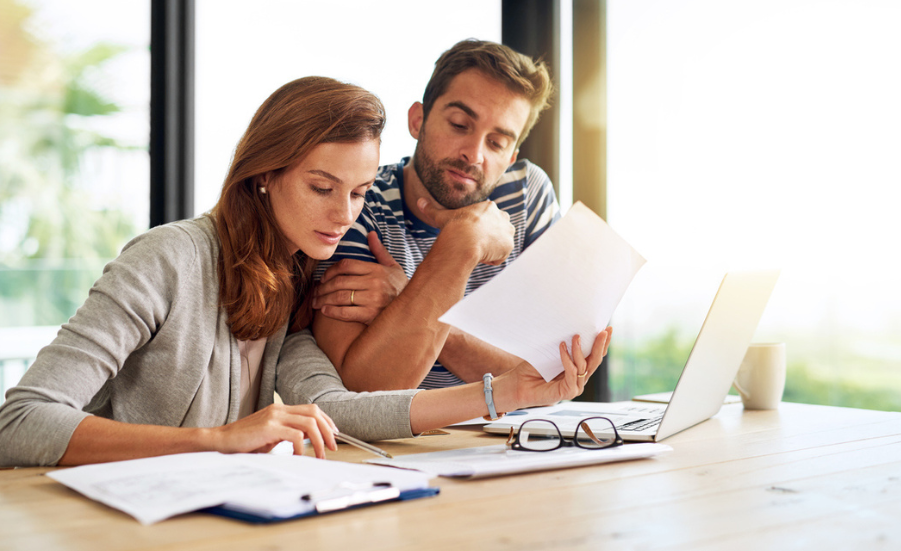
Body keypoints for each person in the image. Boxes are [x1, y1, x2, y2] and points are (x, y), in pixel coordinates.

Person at [0, 76, 611, 468]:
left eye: (359, 192)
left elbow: (336, 408)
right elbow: (21, 421)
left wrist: (503, 394)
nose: (343, 215)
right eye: (322, 186)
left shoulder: (295, 278)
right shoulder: (167, 259)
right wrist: (220, 439)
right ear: (265, 174)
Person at [311, 39, 567, 391]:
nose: (474, 155)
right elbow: (363, 390)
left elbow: (551, 376)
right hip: (405, 443)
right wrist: (465, 242)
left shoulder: (525, 194)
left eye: (496, 143)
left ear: (510, 157)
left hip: (512, 439)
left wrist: (404, 300)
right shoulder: (358, 203)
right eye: (460, 124)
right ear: (418, 121)